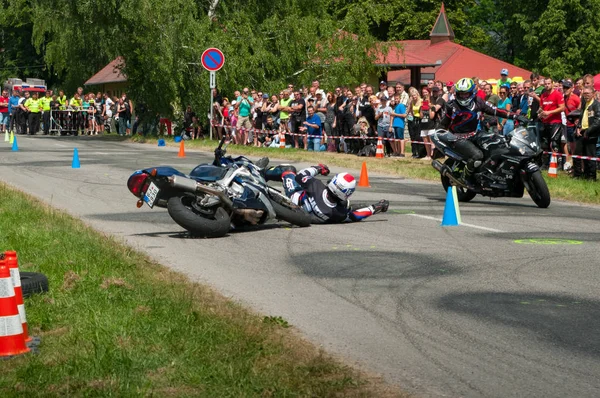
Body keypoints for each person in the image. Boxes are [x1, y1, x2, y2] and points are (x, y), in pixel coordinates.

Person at [439, 77, 528, 184]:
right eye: (461, 93)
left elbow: (496, 110)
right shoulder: (451, 106)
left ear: (472, 92)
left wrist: (515, 116)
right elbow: (443, 123)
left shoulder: (478, 101)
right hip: (458, 138)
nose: (463, 96)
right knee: (477, 156)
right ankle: (464, 178)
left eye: (466, 93)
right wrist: (440, 133)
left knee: (499, 142)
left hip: (475, 133)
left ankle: (491, 174)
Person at [281, 164, 389, 224]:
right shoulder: (337, 214)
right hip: (303, 215)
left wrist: (318, 168)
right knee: (345, 205)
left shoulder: (316, 185)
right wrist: (375, 208)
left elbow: (301, 175)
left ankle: (265, 174)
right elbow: (354, 216)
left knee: (289, 170)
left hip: (292, 197)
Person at [573, 87, 600, 180]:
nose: (586, 96)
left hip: (591, 133)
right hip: (582, 131)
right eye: (584, 94)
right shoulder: (584, 103)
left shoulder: (597, 105)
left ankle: (591, 177)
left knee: (590, 156)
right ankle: (578, 175)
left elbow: (598, 121)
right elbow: (581, 117)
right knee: (577, 154)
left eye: (588, 93)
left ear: (593, 94)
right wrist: (578, 127)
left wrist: (588, 131)